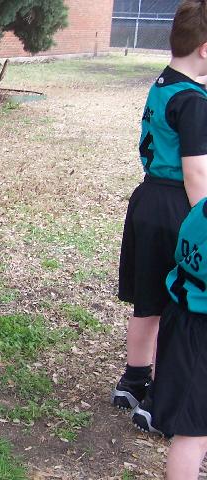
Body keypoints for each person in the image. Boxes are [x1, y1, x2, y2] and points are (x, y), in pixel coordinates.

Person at [112, 0, 207, 413]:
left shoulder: (164, 84)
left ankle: (133, 381)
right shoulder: (194, 101)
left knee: (148, 301)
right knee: (176, 305)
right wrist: (203, 222)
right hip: (176, 206)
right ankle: (161, 396)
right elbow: (196, 172)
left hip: (147, 200)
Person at [133, 197, 207, 479]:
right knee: (193, 434)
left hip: (181, 316)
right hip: (199, 329)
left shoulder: (200, 210)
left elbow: (180, 253)